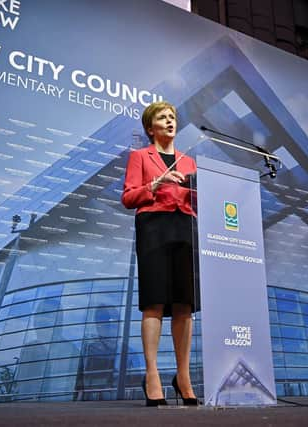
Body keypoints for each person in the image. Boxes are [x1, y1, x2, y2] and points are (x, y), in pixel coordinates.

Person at [121, 101, 199, 406]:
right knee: (153, 301)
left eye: (172, 117)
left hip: (185, 227)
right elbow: (128, 197)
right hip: (153, 226)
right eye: (162, 118)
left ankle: (183, 377)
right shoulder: (140, 157)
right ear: (150, 128)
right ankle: (152, 374)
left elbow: (199, 198)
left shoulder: (189, 161)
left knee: (184, 304)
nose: (169, 121)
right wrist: (157, 182)